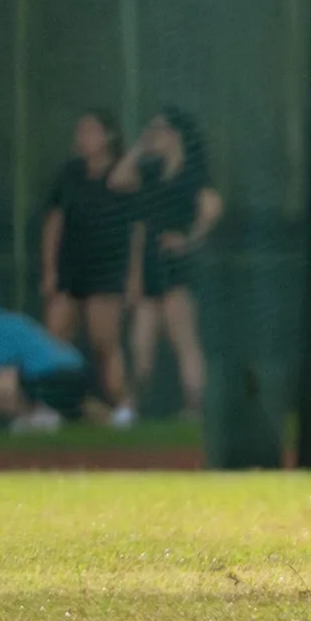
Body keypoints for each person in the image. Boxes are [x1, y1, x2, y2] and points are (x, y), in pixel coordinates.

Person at [115, 107, 221, 419]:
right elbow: (118, 180)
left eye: (160, 129)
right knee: (140, 342)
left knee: (183, 338)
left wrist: (188, 239)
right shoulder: (151, 173)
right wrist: (140, 146)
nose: (154, 134)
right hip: (150, 264)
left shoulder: (192, 174)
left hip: (177, 266)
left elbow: (212, 210)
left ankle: (195, 406)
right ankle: (132, 407)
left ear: (176, 134)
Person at [42, 111, 136, 426]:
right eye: (80, 131)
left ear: (108, 136)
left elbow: (137, 227)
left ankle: (123, 407)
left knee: (104, 343)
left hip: (106, 272)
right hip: (70, 271)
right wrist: (50, 270)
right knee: (54, 339)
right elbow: (54, 223)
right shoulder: (69, 174)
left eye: (91, 131)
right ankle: (50, 406)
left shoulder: (123, 174)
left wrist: (132, 276)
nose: (83, 137)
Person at [0, 278, 94, 434]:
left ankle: (40, 415)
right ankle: (62, 415)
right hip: (80, 372)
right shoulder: (4, 316)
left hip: (48, 378)